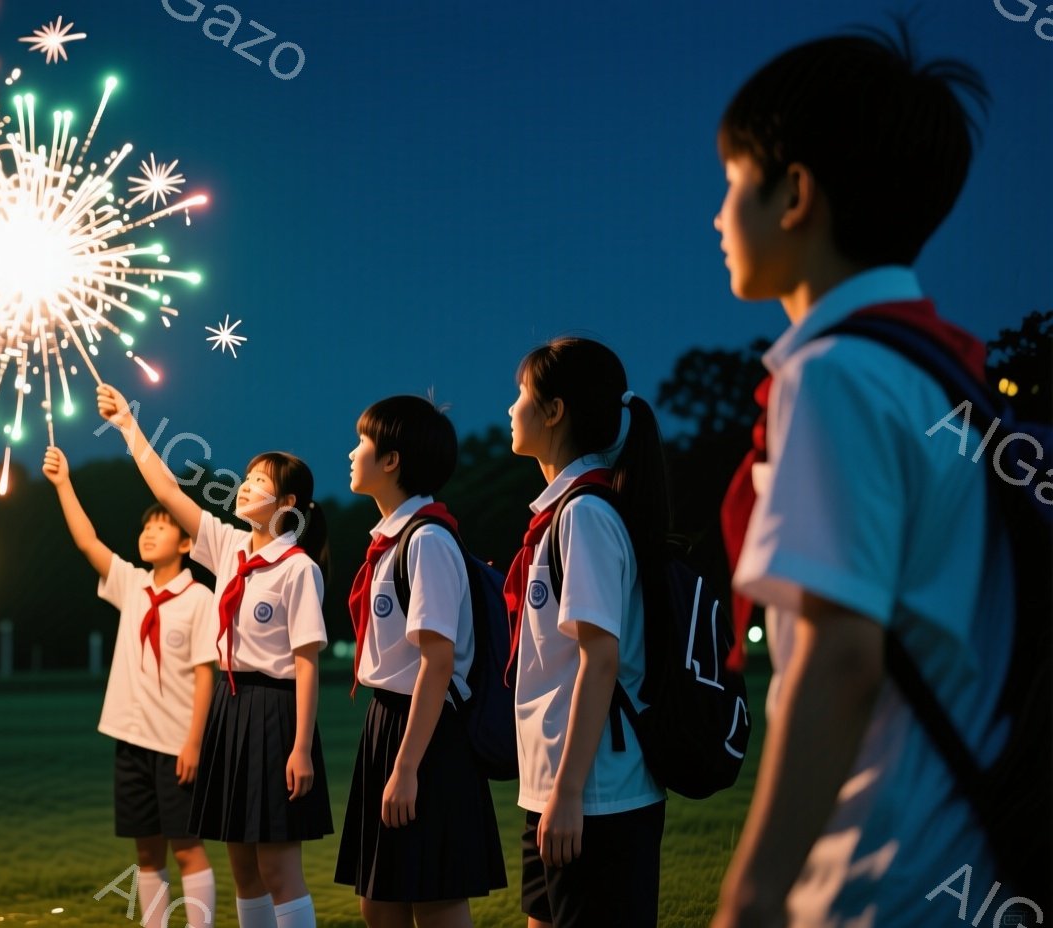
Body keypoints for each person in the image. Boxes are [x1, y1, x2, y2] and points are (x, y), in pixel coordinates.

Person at [708, 27, 1012, 928]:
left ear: (794, 193)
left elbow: (840, 659)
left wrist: (753, 894)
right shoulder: (938, 373)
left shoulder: (835, 376)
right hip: (969, 861)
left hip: (884, 880)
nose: (719, 216)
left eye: (731, 183)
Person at [96, 383, 332, 928]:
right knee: (242, 867)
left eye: (259, 482)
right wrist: (129, 426)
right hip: (231, 709)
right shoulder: (227, 545)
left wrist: (299, 748)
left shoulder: (298, 568)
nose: (245, 487)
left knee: (278, 868)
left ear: (287, 505)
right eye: (246, 478)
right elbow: (169, 489)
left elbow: (306, 664)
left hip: (274, 714)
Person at [507, 337, 671, 927]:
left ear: (555, 411)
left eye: (522, 395)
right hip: (560, 789)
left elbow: (600, 661)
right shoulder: (564, 513)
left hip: (597, 794)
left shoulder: (586, 516)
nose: (511, 409)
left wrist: (571, 793)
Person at [334, 395, 506, 927]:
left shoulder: (427, 541)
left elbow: (437, 662)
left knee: (435, 899)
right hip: (389, 723)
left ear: (392, 460)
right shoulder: (393, 542)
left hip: (429, 734)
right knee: (380, 901)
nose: (351, 452)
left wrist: (406, 767)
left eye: (363, 442)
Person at [43, 446, 218, 928]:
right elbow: (87, 542)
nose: (148, 534)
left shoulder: (198, 598)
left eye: (161, 527)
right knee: (146, 852)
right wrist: (63, 484)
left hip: (177, 745)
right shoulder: (132, 586)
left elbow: (208, 673)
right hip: (131, 741)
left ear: (185, 544)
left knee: (187, 848)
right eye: (145, 527)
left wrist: (194, 743)